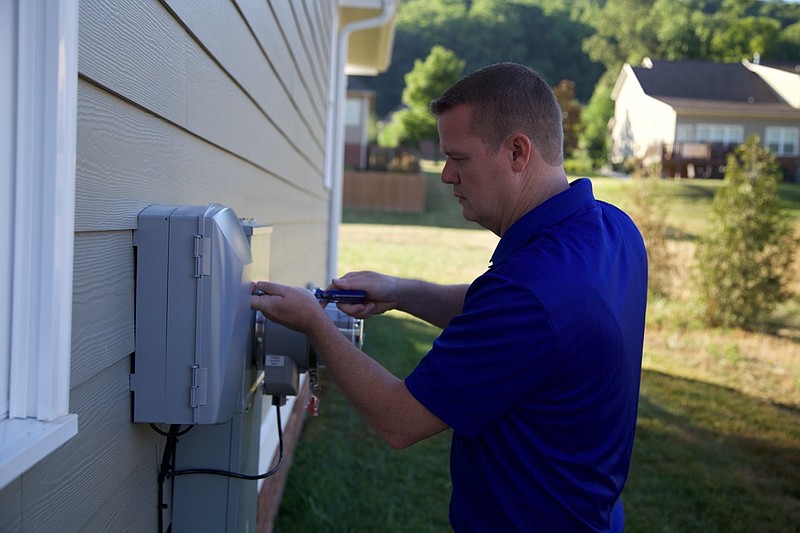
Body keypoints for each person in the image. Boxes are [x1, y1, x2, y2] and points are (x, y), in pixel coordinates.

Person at [252, 62, 648, 532]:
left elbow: (398, 420)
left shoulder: (528, 293)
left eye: (458, 158)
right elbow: (518, 327)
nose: (445, 175)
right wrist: (401, 292)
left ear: (518, 152)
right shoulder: (613, 229)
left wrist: (314, 324)